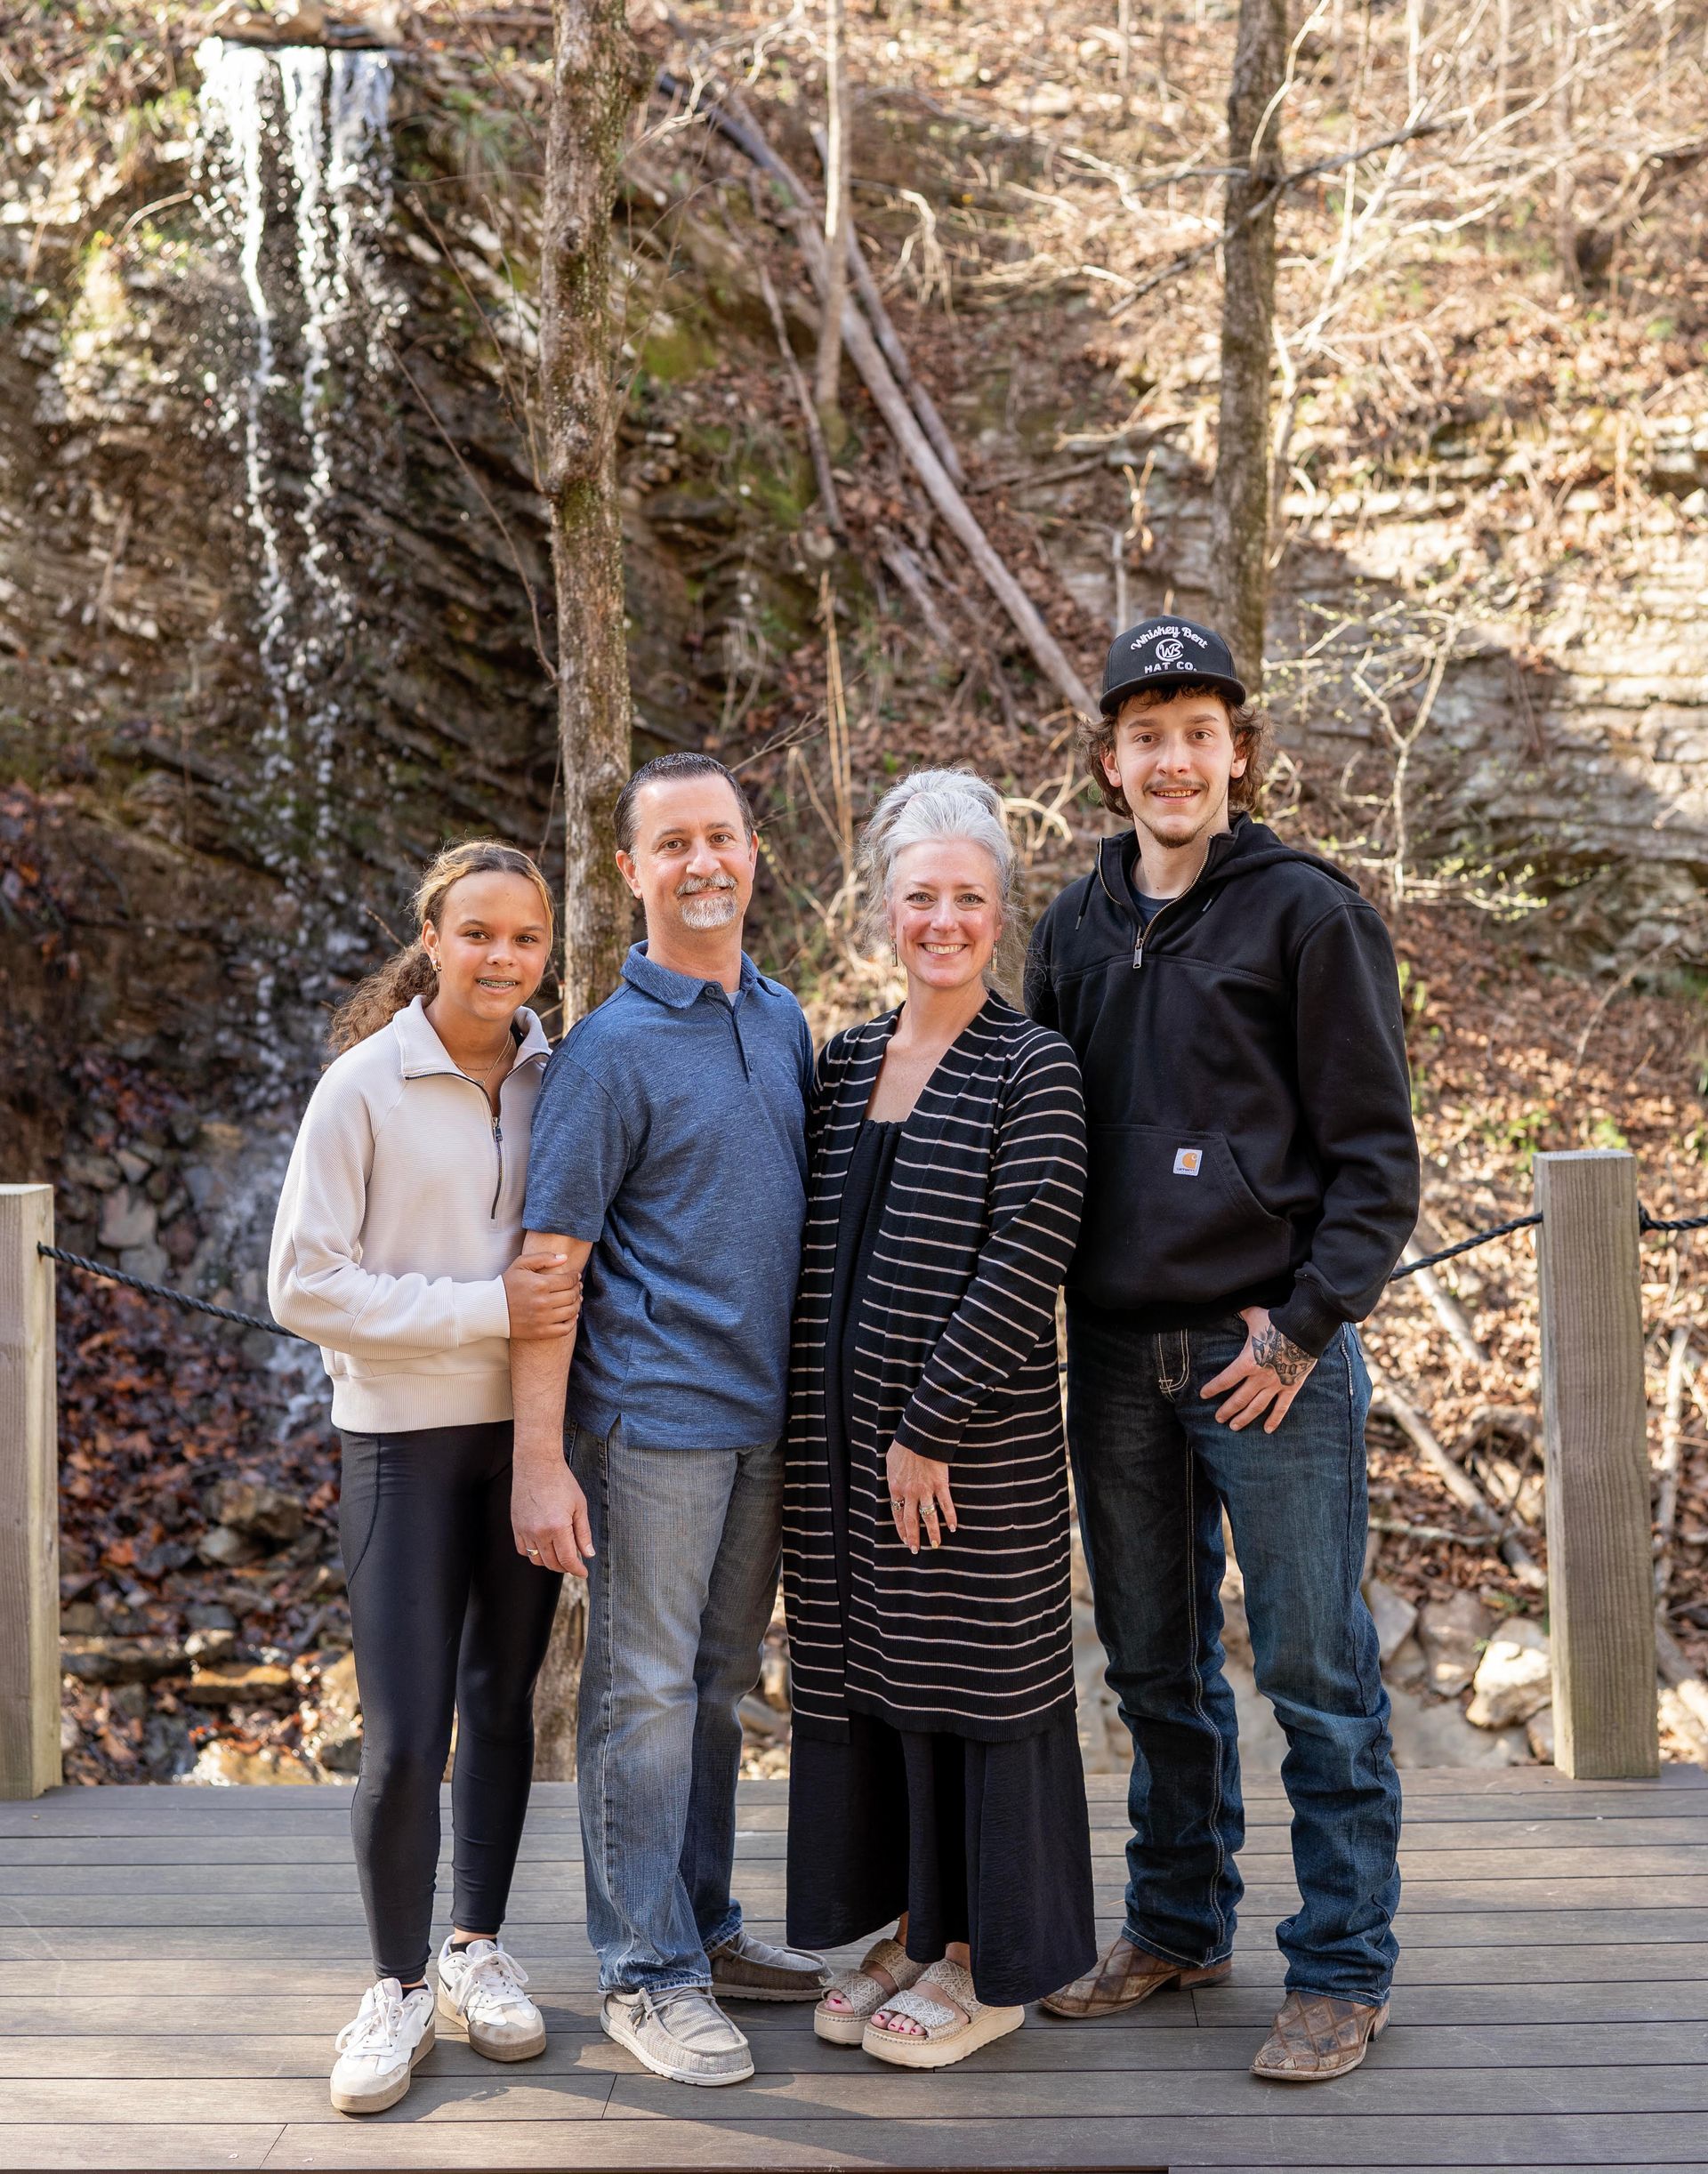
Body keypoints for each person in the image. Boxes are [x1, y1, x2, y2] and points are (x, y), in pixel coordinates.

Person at [1025, 617, 1420, 2082]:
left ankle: (1341, 1967)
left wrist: (1310, 1325)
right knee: (1152, 1667)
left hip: (1272, 1359)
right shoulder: (1070, 926)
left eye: (1199, 730)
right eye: (1146, 734)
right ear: (1111, 760)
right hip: (1118, 1353)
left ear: (1236, 750)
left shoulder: (1309, 914)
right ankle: (1179, 1921)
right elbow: (1047, 1139)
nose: (1172, 758)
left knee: (1316, 1670)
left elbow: (1377, 1159)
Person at [508, 750, 831, 2091]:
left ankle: (703, 1926)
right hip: (653, 1427)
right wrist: (539, 1461)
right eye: (674, 845)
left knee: (714, 1689)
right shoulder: (607, 1051)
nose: (705, 863)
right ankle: (645, 1973)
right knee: (638, 1695)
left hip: (768, 1423)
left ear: (754, 854)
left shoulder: (785, 1015)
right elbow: (547, 1264)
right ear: (631, 872)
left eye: (726, 837)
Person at [784, 769, 1096, 2073]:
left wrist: (927, 1426)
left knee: (978, 1686)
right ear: (883, 908)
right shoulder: (846, 1057)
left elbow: (1028, 1260)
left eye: (969, 897)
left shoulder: (1037, 1068)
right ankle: (917, 1931)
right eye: (921, 896)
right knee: (880, 1686)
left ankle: (987, 1965)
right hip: (838, 1460)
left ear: (1000, 912)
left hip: (969, 1454)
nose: (944, 920)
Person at [269, 840, 582, 2116]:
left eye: (524, 938)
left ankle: (474, 1950)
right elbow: (301, 1281)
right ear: (434, 938)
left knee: (502, 1706)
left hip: (529, 1440)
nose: (500, 958)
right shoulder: (365, 1084)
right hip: (399, 1443)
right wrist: (481, 1310)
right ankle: (394, 1988)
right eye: (477, 934)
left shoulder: (565, 1075)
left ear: (544, 951)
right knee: (405, 1737)